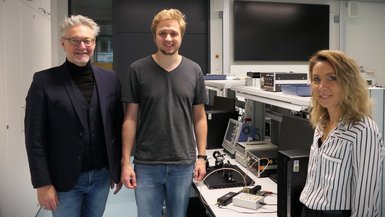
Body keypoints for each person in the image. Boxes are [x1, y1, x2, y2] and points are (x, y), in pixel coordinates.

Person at [24, 15, 123, 217]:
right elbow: (34, 138)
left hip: (101, 178)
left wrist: (117, 168)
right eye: (74, 40)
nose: (82, 46)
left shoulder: (110, 78)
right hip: (64, 180)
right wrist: (43, 183)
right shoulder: (44, 81)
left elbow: (116, 127)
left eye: (87, 40)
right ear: (63, 43)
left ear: (94, 44)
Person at [120, 8, 208, 217]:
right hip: (147, 163)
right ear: (154, 36)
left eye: (173, 33)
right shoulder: (137, 69)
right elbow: (130, 119)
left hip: (183, 163)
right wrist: (125, 161)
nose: (168, 38)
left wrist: (202, 157)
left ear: (181, 36)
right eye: (162, 33)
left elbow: (200, 117)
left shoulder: (194, 70)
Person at [300, 50, 384, 217]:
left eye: (332, 78)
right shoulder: (321, 124)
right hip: (308, 209)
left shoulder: (363, 130)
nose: (322, 87)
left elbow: (365, 200)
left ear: (348, 82)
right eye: (316, 79)